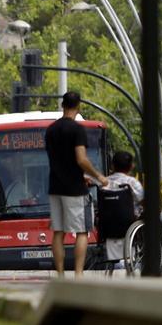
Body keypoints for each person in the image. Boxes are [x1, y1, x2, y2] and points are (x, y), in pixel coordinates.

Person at [45, 91, 108, 276]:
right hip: (74, 190)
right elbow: (80, 160)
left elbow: (59, 161)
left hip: (55, 187)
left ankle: (61, 274)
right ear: (78, 106)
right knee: (81, 232)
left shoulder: (51, 130)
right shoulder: (77, 130)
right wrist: (98, 176)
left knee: (58, 232)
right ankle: (79, 274)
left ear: (62, 105)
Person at [103, 151, 144, 266]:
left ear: (112, 165)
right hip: (129, 224)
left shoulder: (105, 182)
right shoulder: (132, 183)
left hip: (108, 225)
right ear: (131, 166)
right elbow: (143, 201)